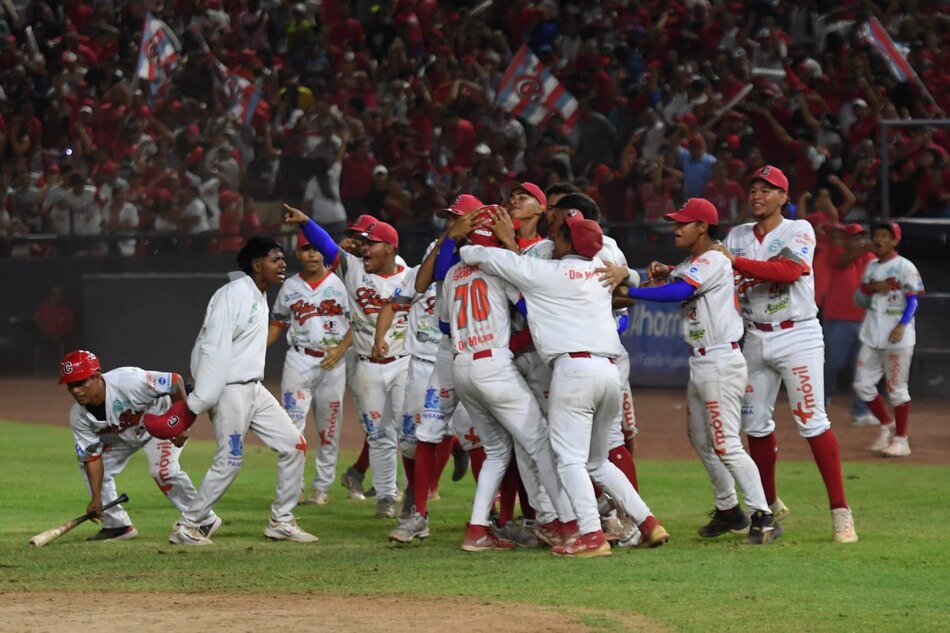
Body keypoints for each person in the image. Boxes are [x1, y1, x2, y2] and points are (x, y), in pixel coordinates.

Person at [459, 211, 669, 557]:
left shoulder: (547, 272)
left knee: (569, 460)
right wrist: (629, 273)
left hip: (574, 371)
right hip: (609, 371)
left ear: (569, 242)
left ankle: (591, 534)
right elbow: (631, 278)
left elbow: (479, 255)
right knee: (597, 461)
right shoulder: (601, 271)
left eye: (559, 235)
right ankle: (647, 522)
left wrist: (470, 241)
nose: (553, 239)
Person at [619, 199, 779, 544]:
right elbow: (677, 278)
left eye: (684, 223)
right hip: (702, 361)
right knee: (701, 439)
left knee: (725, 443)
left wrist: (632, 290)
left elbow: (680, 290)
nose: (676, 228)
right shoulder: (695, 261)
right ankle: (728, 509)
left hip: (720, 360)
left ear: (703, 227)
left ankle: (763, 515)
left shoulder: (714, 258)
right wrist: (662, 272)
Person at [713, 165, 858, 544]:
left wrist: (736, 262)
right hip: (756, 336)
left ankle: (841, 512)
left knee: (812, 420)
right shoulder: (738, 235)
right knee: (755, 425)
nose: (758, 195)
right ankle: (768, 505)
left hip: (798, 335)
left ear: (783, 197)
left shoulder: (799, 229)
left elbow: (791, 270)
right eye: (754, 188)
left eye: (767, 189)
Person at [148, 237, 318, 545]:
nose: (283, 264)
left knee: (294, 446)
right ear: (256, 265)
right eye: (275, 259)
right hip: (228, 392)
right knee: (230, 460)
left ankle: (282, 520)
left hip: (253, 388)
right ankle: (187, 525)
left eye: (282, 258)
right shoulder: (233, 294)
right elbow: (211, 348)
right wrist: (201, 400)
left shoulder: (257, 293)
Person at [283, 205, 411, 519]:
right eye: (363, 242)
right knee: (379, 435)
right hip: (367, 365)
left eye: (371, 243)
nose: (363, 247)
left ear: (390, 248)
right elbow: (327, 245)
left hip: (403, 363)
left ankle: (413, 495)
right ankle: (385, 498)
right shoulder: (353, 268)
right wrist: (307, 223)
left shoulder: (410, 277)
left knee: (409, 434)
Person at [59, 350, 218, 541]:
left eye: (80, 383)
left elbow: (174, 381)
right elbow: (91, 457)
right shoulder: (79, 416)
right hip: (123, 437)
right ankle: (117, 525)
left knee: (163, 471)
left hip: (160, 424)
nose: (75, 390)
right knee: (88, 465)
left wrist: (179, 423)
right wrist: (96, 497)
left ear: (97, 376)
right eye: (71, 385)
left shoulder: (128, 381)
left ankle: (203, 518)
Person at [268, 230, 352, 505]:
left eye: (317, 249)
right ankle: (294, 487)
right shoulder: (290, 287)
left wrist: (340, 351)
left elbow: (358, 324)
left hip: (332, 363)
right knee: (292, 427)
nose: (313, 254)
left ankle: (322, 488)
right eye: (306, 249)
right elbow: (277, 325)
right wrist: (252, 353)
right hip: (299, 359)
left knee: (329, 429)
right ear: (298, 254)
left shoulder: (340, 285)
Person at [854, 222, 924, 457]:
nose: (879, 239)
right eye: (877, 235)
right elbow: (862, 294)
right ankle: (887, 425)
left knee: (896, 389)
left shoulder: (905, 266)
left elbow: (914, 299)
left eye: (885, 235)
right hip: (872, 333)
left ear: (895, 240)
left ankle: (901, 440)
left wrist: (903, 324)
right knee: (862, 385)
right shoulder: (871, 266)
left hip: (897, 337)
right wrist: (874, 288)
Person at [822, 224, 877, 425]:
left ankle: (860, 412)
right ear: (845, 240)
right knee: (834, 363)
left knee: (862, 368)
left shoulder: (869, 258)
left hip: (864, 320)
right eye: (855, 238)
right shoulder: (836, 251)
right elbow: (842, 260)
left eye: (862, 237)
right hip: (839, 319)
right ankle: (821, 402)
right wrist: (865, 248)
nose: (860, 241)